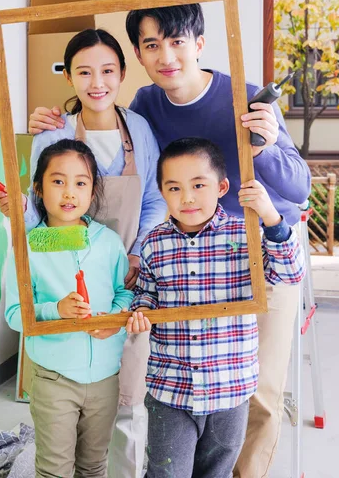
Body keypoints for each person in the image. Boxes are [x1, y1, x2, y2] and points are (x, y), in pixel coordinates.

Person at [27, 0, 312, 478]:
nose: (166, 56)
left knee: (258, 391)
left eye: (176, 40)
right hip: (183, 256)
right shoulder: (146, 105)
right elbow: (108, 139)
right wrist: (53, 118)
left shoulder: (245, 95)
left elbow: (299, 187)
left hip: (256, 252)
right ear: (138, 53)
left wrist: (263, 147)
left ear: (199, 41)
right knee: (179, 381)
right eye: (151, 44)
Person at [0, 28, 167, 478]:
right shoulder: (53, 132)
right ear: (68, 76)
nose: (97, 82)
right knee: (63, 417)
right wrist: (24, 230)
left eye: (108, 71)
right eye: (84, 71)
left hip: (123, 275)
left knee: (124, 398)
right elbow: (36, 215)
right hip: (61, 274)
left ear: (123, 74)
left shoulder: (141, 129)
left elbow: (152, 200)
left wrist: (133, 257)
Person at [126, 137, 305, 478]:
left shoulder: (246, 234)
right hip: (170, 387)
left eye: (198, 185)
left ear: (222, 186)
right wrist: (141, 312)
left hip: (230, 389)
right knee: (166, 473)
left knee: (216, 473)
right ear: (162, 191)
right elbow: (147, 294)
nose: (187, 197)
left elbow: (291, 272)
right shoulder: (153, 242)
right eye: (174, 188)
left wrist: (270, 216)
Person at [5, 138, 134, 477]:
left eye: (80, 183)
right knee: (54, 469)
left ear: (93, 192)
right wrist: (55, 310)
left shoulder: (108, 242)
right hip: (54, 377)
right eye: (57, 181)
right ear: (38, 188)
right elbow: (15, 314)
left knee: (93, 466)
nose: (69, 193)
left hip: (105, 377)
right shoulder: (29, 246)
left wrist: (114, 320)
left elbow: (125, 294)